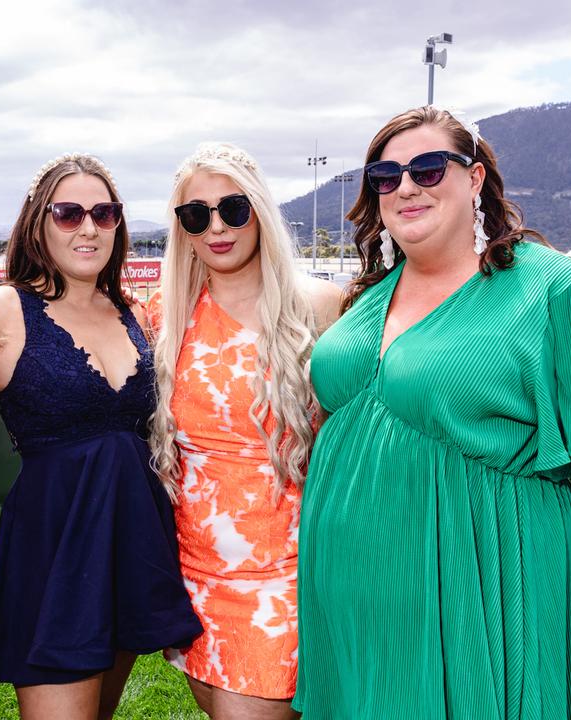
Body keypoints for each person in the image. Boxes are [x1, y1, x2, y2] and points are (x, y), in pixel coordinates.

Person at [293, 106, 571, 719]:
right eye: (386, 176)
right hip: (351, 583)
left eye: (429, 167)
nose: (406, 186)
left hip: (484, 576)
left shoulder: (556, 292)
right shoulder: (368, 297)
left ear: (475, 179)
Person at [0, 153, 202, 719]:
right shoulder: (1, 312)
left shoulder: (134, 315)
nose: (88, 227)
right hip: (52, 552)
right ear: (38, 222)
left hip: (128, 547)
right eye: (68, 213)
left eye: (104, 213)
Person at [147, 142, 342, 719]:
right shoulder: (164, 316)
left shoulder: (321, 308)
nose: (216, 227)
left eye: (233, 208)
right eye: (195, 214)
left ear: (259, 210)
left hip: (285, 575)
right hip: (193, 577)